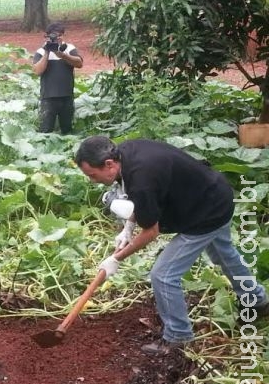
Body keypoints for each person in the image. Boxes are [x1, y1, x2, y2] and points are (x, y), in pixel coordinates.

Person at [74, 136, 269, 356]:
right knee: (224, 255)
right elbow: (139, 201)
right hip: (214, 194)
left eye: (92, 175)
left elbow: (151, 232)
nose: (93, 180)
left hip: (205, 212)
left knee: (163, 275)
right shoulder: (126, 153)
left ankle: (178, 338)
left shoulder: (142, 178)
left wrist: (116, 259)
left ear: (109, 164)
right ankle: (257, 301)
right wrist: (127, 229)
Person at [32, 21, 83, 135]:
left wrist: (63, 55)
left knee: (67, 129)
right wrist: (47, 52)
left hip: (67, 96)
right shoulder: (41, 51)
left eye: (59, 35)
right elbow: (38, 71)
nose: (57, 38)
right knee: (45, 130)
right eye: (54, 35)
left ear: (63, 36)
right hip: (48, 98)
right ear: (47, 36)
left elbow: (79, 63)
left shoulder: (69, 48)